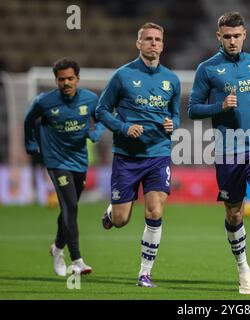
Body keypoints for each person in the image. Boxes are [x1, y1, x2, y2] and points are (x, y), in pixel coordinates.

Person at [188, 12, 250, 295]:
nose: (232, 41)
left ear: (245, 35)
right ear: (219, 37)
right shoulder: (207, 69)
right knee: (235, 214)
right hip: (228, 150)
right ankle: (243, 269)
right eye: (227, 36)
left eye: (237, 36)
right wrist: (220, 106)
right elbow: (192, 109)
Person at [96, 22, 180, 288]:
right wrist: (123, 127)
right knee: (121, 220)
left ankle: (145, 273)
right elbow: (101, 111)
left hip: (159, 155)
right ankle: (112, 213)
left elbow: (175, 113)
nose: (153, 43)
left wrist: (173, 124)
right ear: (138, 43)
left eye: (157, 39)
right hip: (127, 157)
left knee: (155, 211)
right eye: (148, 39)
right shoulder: (122, 76)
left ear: (163, 45)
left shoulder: (172, 80)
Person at [24, 58, 105, 276]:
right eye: (61, 79)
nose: (66, 82)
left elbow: (102, 118)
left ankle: (57, 249)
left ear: (77, 78)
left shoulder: (90, 99)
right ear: (56, 81)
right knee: (71, 207)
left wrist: (96, 132)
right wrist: (30, 142)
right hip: (56, 161)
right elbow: (29, 119)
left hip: (79, 160)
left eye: (70, 78)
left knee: (68, 207)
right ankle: (77, 259)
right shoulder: (45, 102)